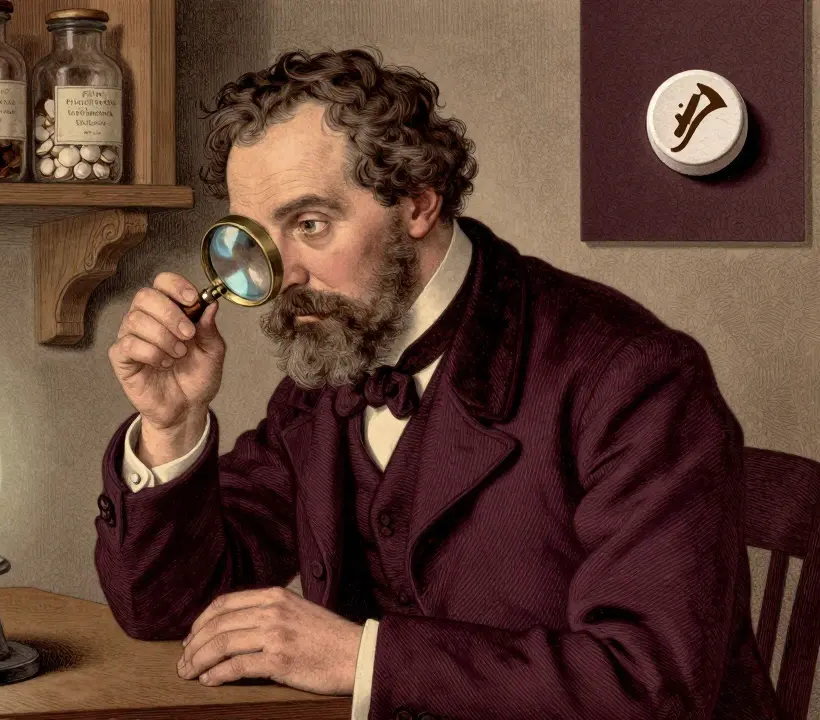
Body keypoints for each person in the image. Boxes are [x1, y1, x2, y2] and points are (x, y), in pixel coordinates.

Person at [94, 48, 779, 719]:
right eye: (253, 239)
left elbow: (651, 685)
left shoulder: (634, 377)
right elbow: (168, 611)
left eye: (310, 225)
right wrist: (172, 425)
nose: (283, 276)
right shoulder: (327, 369)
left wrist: (362, 659)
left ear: (418, 205)